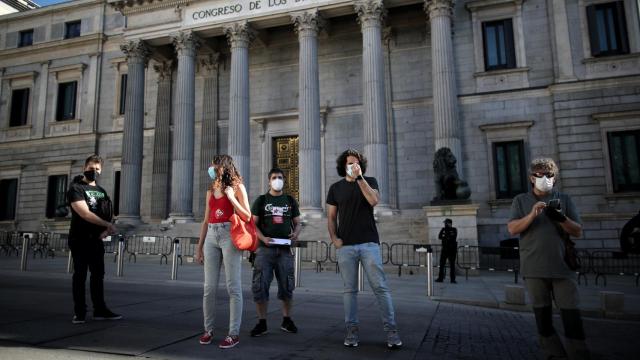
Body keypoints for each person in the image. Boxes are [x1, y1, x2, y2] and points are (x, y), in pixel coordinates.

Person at [508, 158, 590, 360]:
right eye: (540, 175)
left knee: (572, 316)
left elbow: (578, 231)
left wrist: (561, 218)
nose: (545, 178)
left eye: (549, 175)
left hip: (563, 267)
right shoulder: (520, 200)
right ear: (531, 177)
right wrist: (532, 215)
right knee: (543, 317)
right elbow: (512, 229)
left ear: (555, 178)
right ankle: (553, 354)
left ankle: (578, 354)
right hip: (534, 268)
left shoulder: (565, 198)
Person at [326, 149, 402, 349]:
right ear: (343, 166)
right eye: (350, 163)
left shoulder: (370, 181)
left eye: (356, 163)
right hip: (346, 246)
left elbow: (374, 201)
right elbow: (332, 217)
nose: (353, 165)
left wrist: (360, 178)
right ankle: (351, 331)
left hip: (369, 243)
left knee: (380, 288)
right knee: (349, 290)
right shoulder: (335, 188)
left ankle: (392, 331)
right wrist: (334, 238)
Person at [194, 155, 251, 349]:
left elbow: (248, 215)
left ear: (223, 168)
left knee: (232, 286)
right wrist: (199, 247)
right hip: (211, 235)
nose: (211, 169)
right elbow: (205, 220)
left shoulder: (237, 187)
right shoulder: (210, 191)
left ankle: (233, 333)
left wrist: (232, 198)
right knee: (209, 288)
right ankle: (208, 330)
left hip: (229, 235)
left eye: (214, 166)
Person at [249, 168, 302, 337]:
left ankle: (287, 320)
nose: (277, 180)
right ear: (269, 181)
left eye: (280, 177)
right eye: (274, 177)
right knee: (260, 286)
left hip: (285, 250)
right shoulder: (262, 200)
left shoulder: (290, 200)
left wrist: (295, 234)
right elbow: (252, 224)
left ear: (284, 180)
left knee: (287, 286)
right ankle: (262, 322)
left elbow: (298, 223)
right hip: (265, 250)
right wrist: (263, 238)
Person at [67, 154, 120, 324]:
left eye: (97, 169)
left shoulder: (102, 191)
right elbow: (84, 213)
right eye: (91, 169)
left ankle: (100, 309)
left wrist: (106, 229)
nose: (94, 172)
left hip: (96, 240)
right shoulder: (76, 188)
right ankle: (80, 312)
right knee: (80, 275)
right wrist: (107, 224)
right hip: (80, 238)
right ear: (85, 168)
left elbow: (108, 212)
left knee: (98, 276)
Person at [435, 218, 457, 283]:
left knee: (452, 265)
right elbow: (439, 236)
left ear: (449, 223)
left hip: (452, 250)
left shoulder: (454, 229)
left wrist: (445, 237)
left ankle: (452, 279)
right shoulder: (443, 229)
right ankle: (440, 278)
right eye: (445, 223)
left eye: (446, 223)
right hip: (444, 249)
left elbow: (453, 237)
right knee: (441, 264)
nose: (445, 224)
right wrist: (446, 237)